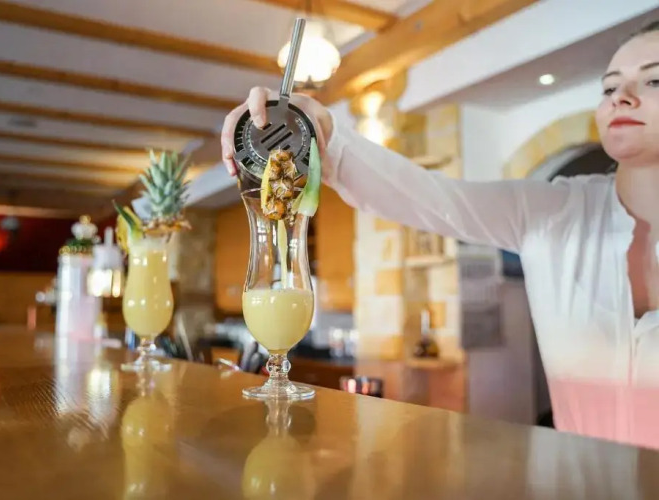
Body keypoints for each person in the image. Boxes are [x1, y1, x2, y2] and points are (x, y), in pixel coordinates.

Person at [221, 21, 659, 450]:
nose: (620, 96)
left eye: (654, 80)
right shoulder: (555, 212)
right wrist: (326, 130)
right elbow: (429, 197)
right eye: (609, 87)